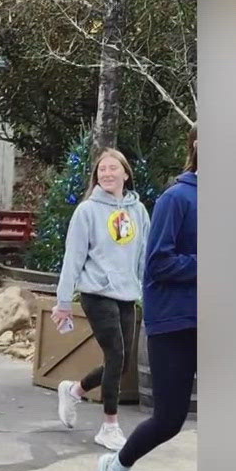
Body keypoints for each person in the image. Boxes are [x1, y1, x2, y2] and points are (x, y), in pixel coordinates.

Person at [98, 139, 196, 471]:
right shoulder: (177, 199)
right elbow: (158, 263)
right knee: (169, 420)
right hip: (175, 321)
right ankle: (117, 467)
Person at [53, 148, 153, 451]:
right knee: (117, 354)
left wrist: (147, 295)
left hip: (126, 294)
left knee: (119, 364)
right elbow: (73, 257)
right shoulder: (87, 211)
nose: (107, 174)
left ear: (126, 173)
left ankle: (74, 390)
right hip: (96, 292)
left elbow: (144, 257)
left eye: (113, 168)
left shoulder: (139, 211)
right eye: (102, 170)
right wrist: (63, 302)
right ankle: (109, 425)